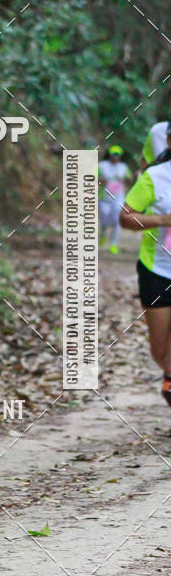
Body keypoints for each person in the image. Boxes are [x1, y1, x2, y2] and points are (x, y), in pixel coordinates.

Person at [120, 127, 171, 405]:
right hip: (158, 271)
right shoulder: (155, 176)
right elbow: (126, 219)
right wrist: (163, 221)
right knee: (160, 351)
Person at [98, 145, 130, 255]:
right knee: (105, 218)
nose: (115, 157)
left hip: (118, 197)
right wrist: (101, 180)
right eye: (113, 154)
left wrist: (123, 180)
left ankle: (113, 244)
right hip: (104, 197)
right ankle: (103, 233)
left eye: (117, 155)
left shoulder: (124, 167)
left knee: (117, 220)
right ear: (109, 155)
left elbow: (129, 181)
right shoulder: (102, 166)